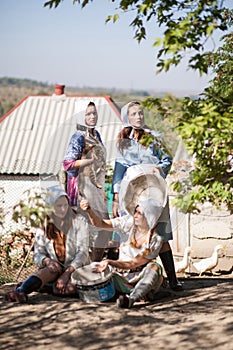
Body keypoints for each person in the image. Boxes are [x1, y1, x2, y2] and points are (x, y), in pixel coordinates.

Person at [111, 101, 183, 291]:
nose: (139, 117)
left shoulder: (154, 138)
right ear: (127, 118)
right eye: (134, 114)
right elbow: (119, 171)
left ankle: (173, 279)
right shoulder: (123, 143)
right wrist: (116, 198)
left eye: (141, 113)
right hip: (132, 191)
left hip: (154, 191)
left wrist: (158, 168)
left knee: (161, 233)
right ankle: (129, 277)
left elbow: (167, 159)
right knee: (130, 231)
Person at [5, 185, 90, 303]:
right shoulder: (44, 224)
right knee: (50, 269)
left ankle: (45, 287)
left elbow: (83, 252)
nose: (63, 209)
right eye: (58, 206)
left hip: (76, 268)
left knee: (66, 289)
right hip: (56, 269)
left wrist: (67, 273)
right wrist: (47, 261)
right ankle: (20, 291)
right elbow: (38, 253)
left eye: (65, 205)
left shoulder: (79, 221)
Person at [80, 196, 164, 309]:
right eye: (135, 211)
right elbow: (100, 223)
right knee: (96, 270)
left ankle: (132, 298)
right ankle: (141, 294)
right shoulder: (128, 222)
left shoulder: (155, 239)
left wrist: (109, 261)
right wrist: (89, 210)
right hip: (120, 276)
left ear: (150, 217)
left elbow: (133, 263)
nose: (135, 215)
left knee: (155, 267)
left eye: (140, 213)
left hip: (141, 275)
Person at [63, 101, 113, 261]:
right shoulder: (78, 137)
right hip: (82, 192)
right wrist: (89, 161)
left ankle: (94, 263)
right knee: (85, 232)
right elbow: (68, 164)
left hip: (96, 190)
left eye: (94, 113)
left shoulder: (96, 135)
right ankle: (79, 269)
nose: (92, 117)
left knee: (106, 227)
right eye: (88, 114)